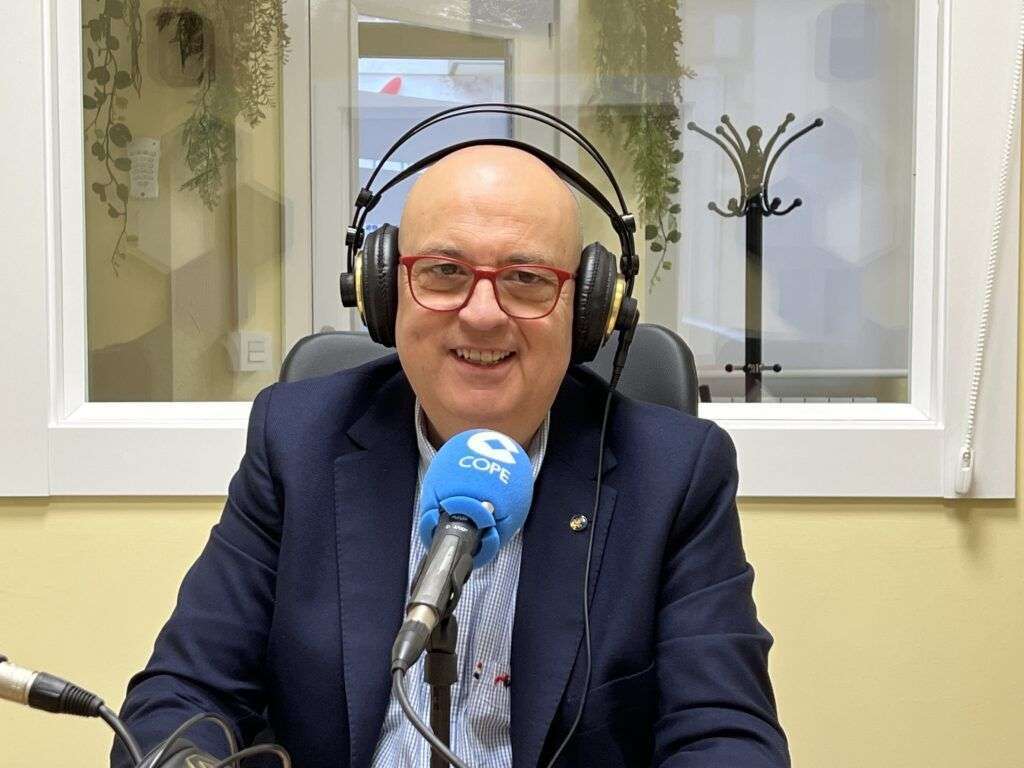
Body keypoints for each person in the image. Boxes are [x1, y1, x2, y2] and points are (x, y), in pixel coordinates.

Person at [112, 144, 790, 767]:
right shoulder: (298, 441)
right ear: (383, 291)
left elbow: (725, 737)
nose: (483, 314)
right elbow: (183, 695)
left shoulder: (673, 475)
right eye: (444, 272)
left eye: (525, 277)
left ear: (588, 311)